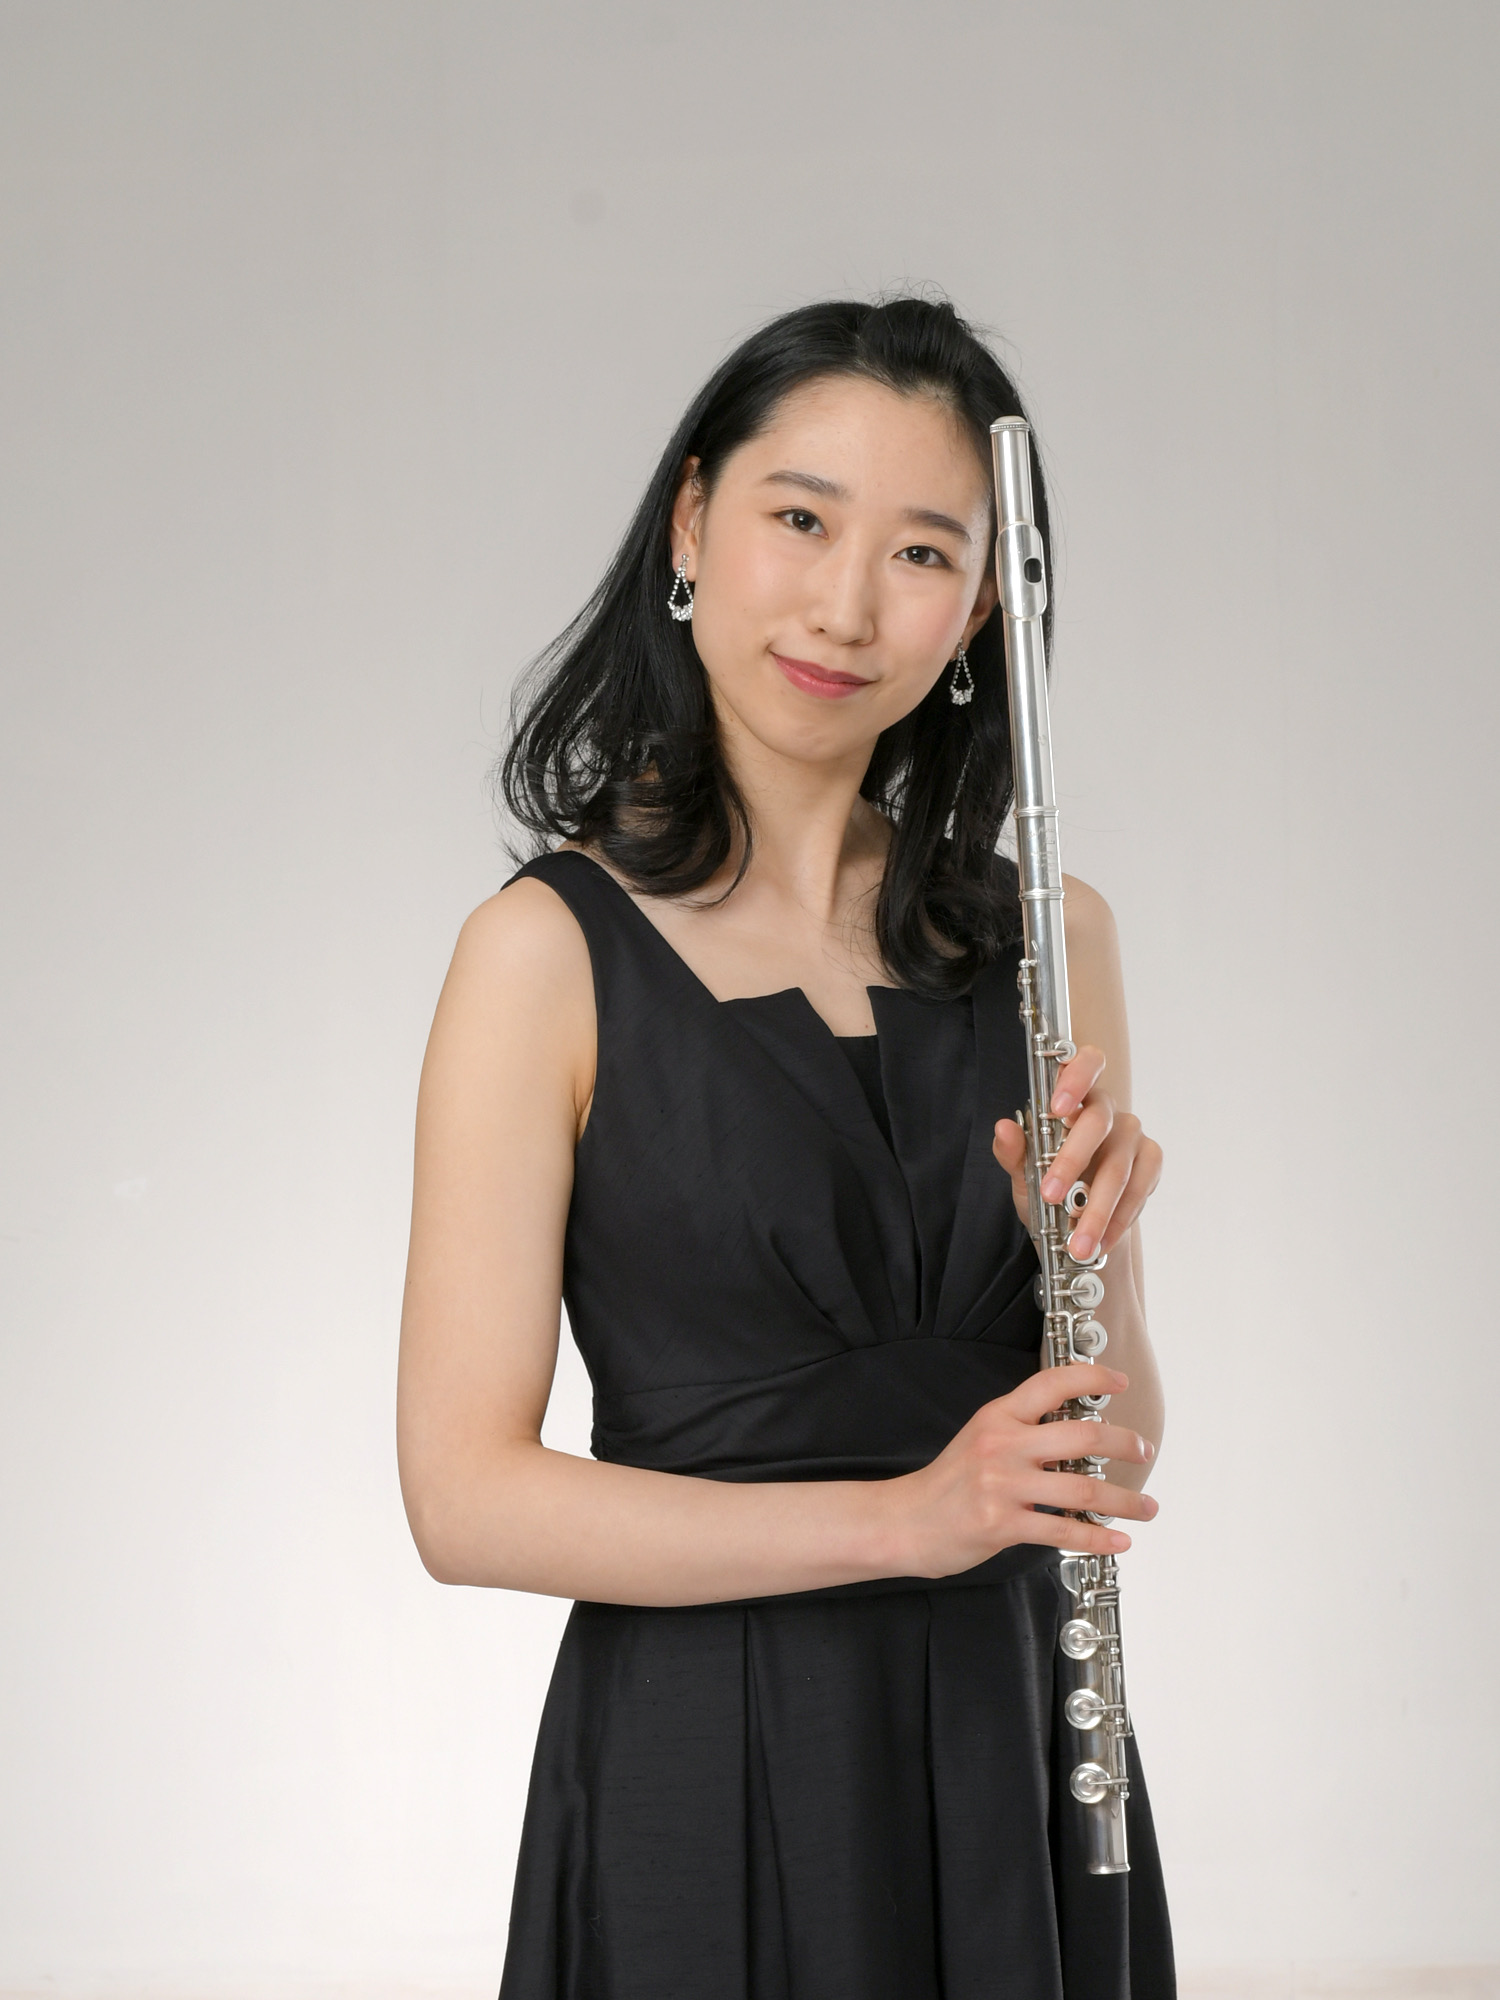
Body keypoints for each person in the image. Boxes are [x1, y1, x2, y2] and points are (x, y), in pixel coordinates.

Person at [397, 297, 1173, 1999]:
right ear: (693, 524)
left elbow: (1109, 1445)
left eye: (922, 552)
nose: (845, 605)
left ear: (983, 607)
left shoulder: (1057, 939)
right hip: (705, 1763)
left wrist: (1093, 1254)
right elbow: (463, 1500)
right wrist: (903, 1521)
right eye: (801, 519)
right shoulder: (543, 956)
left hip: (1015, 1752)